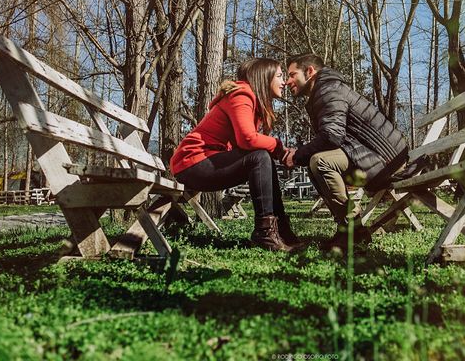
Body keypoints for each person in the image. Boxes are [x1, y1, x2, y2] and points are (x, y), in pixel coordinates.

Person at [170, 58, 303, 252]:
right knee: (260, 156)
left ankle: (280, 229)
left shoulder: (250, 99)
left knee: (262, 157)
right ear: (264, 77)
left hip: (204, 162)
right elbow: (247, 139)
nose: (283, 82)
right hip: (193, 163)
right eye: (280, 76)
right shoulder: (242, 95)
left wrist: (276, 151)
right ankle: (264, 233)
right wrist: (279, 148)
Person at [283, 53, 408, 251]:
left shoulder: (328, 91)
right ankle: (349, 229)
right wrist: (300, 154)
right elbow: (334, 136)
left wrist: (297, 155)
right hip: (375, 156)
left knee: (319, 161)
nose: (287, 81)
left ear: (309, 72)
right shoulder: (327, 89)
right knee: (314, 161)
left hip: (387, 160)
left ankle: (353, 231)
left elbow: (332, 136)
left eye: (292, 74)